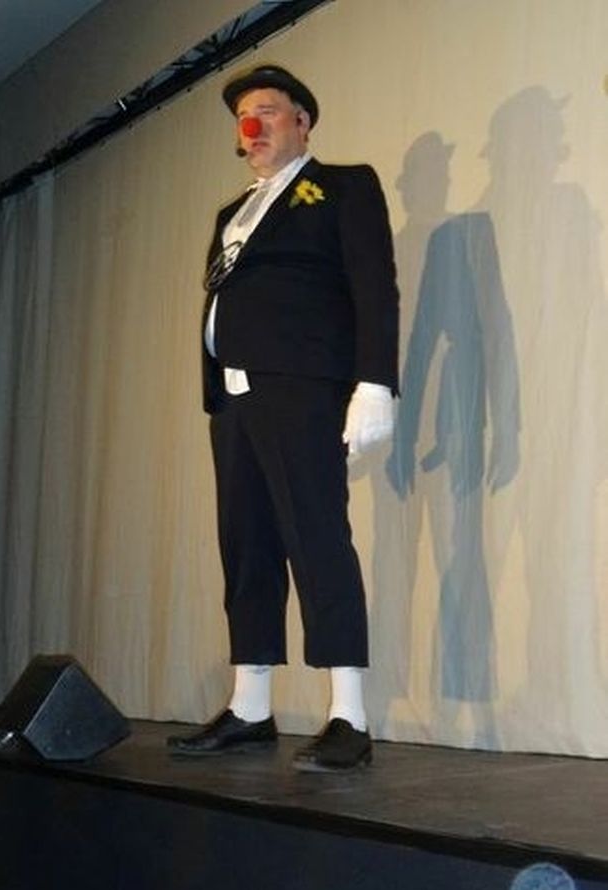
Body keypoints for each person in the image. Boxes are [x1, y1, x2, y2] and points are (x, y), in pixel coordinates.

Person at [167, 64, 399, 771]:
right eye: (244, 116)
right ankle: (250, 708)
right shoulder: (231, 214)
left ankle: (349, 716)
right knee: (246, 547)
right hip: (233, 398)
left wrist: (375, 385)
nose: (252, 124)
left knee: (317, 538)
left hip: (301, 388)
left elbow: (374, 286)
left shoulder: (341, 187)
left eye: (267, 110)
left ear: (302, 121)